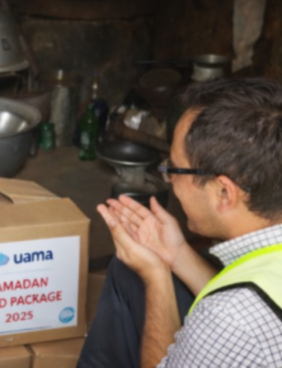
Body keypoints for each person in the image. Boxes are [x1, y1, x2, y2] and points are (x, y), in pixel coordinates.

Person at [84, 79, 282, 367]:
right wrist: (176, 255)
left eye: (174, 169)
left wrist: (156, 276)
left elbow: (240, 306)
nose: (171, 180)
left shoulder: (231, 319)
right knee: (127, 272)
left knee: (138, 274)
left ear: (224, 192)